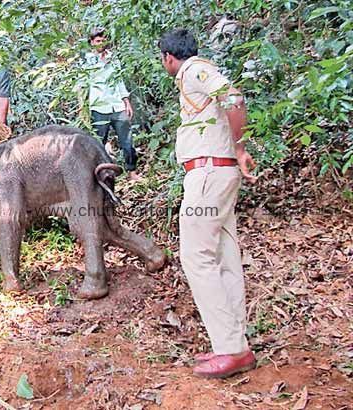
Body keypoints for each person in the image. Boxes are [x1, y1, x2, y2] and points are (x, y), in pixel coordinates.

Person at [159, 29, 258, 379]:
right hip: (220, 174)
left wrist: (241, 146)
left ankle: (230, 348)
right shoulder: (198, 74)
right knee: (223, 255)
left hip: (207, 176)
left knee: (197, 256)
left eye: (163, 60)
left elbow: (233, 98)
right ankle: (235, 344)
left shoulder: (193, 70)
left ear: (169, 57)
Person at [86, 27, 139, 180]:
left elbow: (119, 81)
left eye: (103, 40)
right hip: (99, 106)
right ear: (91, 42)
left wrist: (126, 102)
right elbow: (82, 84)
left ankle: (132, 172)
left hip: (117, 105)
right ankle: (100, 174)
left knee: (127, 141)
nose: (100, 43)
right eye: (97, 41)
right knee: (98, 143)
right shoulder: (87, 61)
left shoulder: (113, 57)